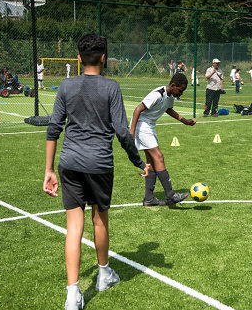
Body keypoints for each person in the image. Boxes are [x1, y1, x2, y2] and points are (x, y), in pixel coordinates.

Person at [43, 33, 149, 310]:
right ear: (104, 58)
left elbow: (54, 128)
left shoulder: (65, 86)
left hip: (69, 164)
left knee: (73, 227)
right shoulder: (112, 88)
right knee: (99, 220)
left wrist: (48, 169)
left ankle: (72, 294)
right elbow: (123, 133)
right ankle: (103, 274)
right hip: (100, 164)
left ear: (79, 58)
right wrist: (139, 162)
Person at [129, 73, 194, 206]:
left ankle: (149, 199)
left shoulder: (170, 96)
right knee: (159, 157)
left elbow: (169, 110)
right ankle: (170, 195)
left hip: (149, 126)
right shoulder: (157, 94)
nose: (180, 94)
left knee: (152, 162)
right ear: (173, 85)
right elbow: (137, 110)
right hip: (142, 125)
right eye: (180, 90)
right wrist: (131, 132)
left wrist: (185, 121)